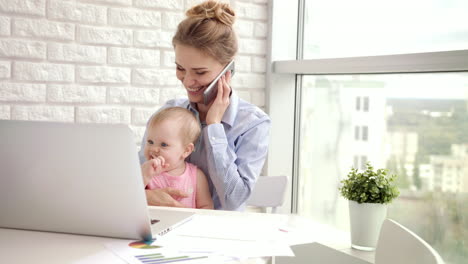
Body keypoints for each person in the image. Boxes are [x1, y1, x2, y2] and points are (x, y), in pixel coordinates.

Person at [139, 0, 271, 210]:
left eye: (200, 72)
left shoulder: (253, 124)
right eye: (181, 68)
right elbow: (133, 182)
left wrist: (214, 126)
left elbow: (233, 200)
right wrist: (146, 196)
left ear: (228, 70)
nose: (188, 81)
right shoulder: (168, 113)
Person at [141, 107, 214, 209]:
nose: (154, 149)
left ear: (186, 150)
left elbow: (206, 207)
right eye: (150, 142)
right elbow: (131, 198)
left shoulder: (196, 176)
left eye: (163, 144)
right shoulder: (146, 172)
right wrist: (144, 175)